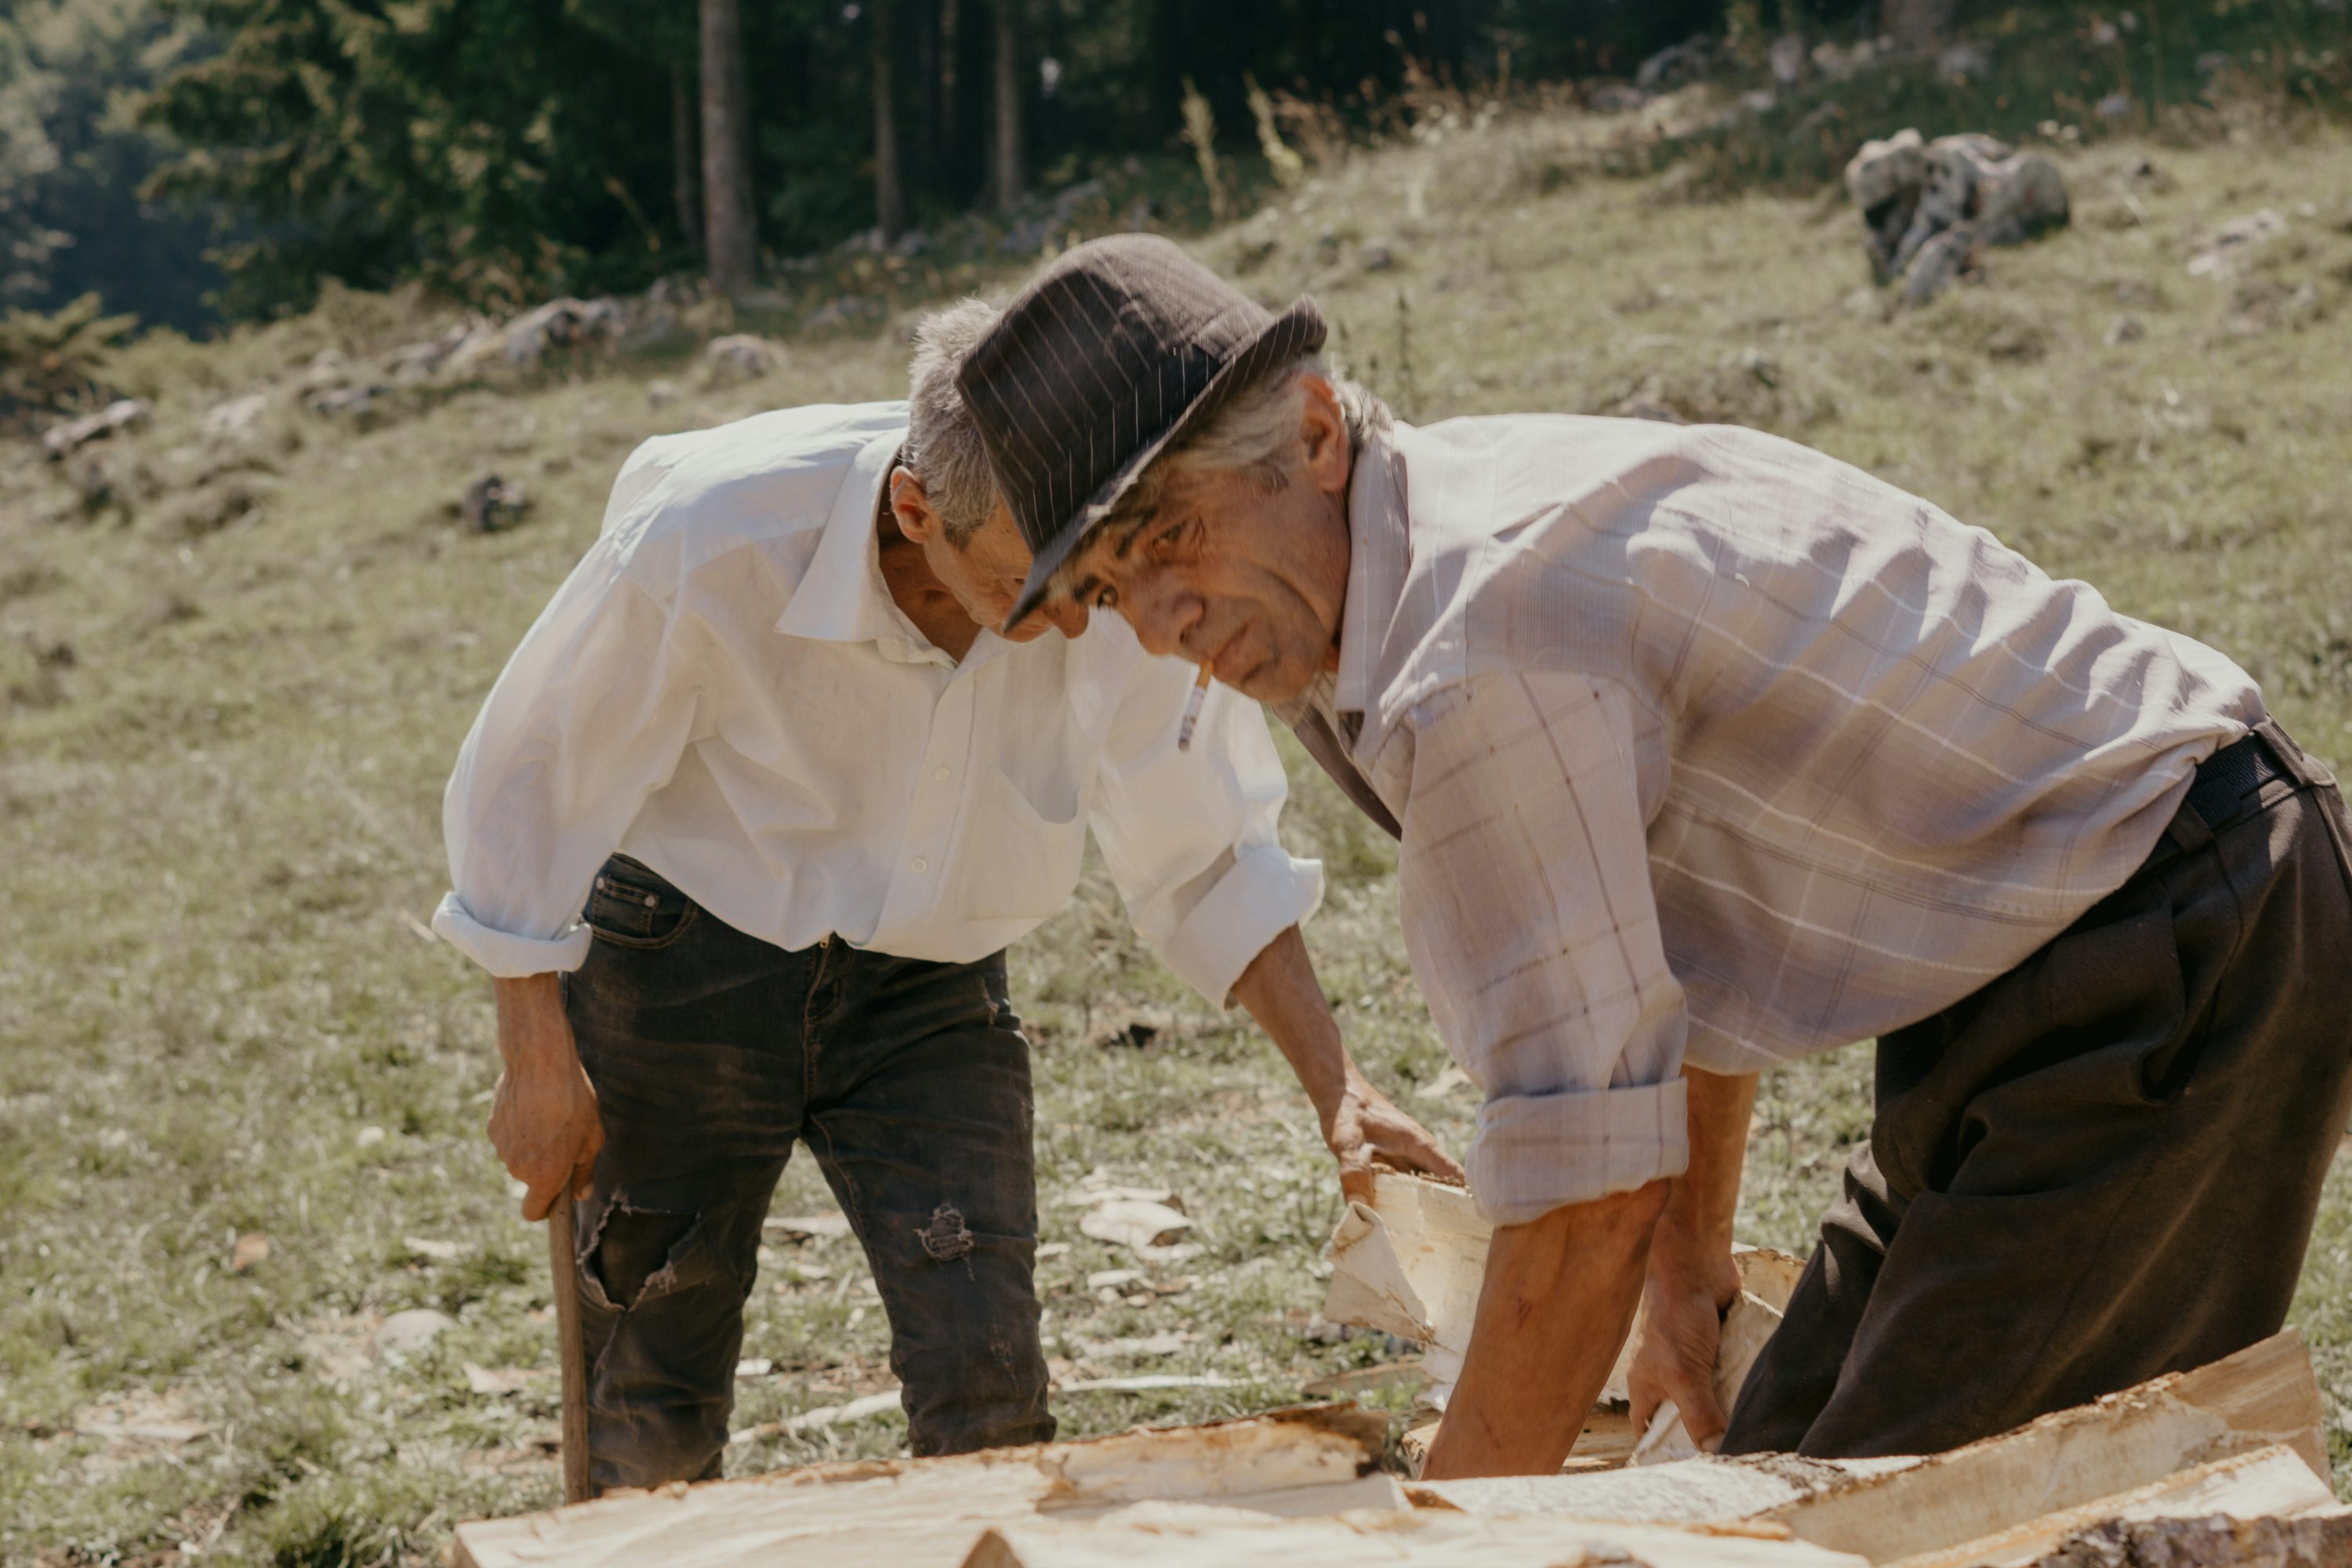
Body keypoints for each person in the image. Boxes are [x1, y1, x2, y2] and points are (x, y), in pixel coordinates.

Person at [954, 234, 2352, 1477]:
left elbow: (1578, 1205)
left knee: (1897, 1523)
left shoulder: (1474, 648)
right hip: (2032, 959)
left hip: (2183, 935)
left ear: (1312, 432)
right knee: (1775, 1472)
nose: (1157, 620)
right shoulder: (1390, 564)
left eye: (1170, 538)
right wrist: (1687, 1278)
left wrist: (1449, 1532)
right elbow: (1672, 929)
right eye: (1105, 588)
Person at [430, 298, 1461, 1492]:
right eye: (1035, 593)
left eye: (1093, 581)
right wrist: (536, 1052)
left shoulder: (1114, 561)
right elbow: (531, 773)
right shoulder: (711, 531)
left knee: (987, 1375)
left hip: (930, 986)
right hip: (684, 961)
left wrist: (1344, 1088)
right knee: (653, 1371)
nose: (1085, 619)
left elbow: (1203, 844)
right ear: (917, 512)